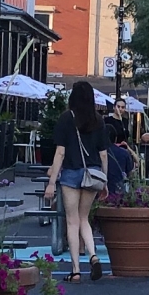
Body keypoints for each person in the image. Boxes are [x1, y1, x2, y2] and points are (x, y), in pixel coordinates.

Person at [41, 80, 109, 283]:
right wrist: (104, 180)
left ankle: (76, 270)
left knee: (72, 221)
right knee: (84, 218)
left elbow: (60, 152)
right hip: (93, 173)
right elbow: (104, 154)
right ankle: (93, 255)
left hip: (71, 173)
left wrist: (52, 182)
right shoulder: (98, 120)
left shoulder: (65, 119)